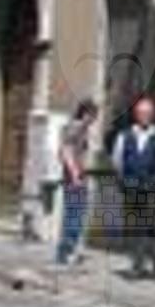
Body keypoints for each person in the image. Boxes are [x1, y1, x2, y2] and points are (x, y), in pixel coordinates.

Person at [111, 93, 155, 280]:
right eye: (142, 113)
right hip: (131, 187)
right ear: (136, 115)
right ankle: (137, 265)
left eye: (148, 113)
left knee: (153, 226)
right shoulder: (124, 136)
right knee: (134, 227)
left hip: (152, 188)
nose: (145, 116)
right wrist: (125, 181)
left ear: (152, 115)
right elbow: (117, 161)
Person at [55, 97, 98, 267]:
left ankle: (69, 251)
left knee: (77, 215)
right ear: (86, 113)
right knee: (73, 216)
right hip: (75, 179)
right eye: (93, 116)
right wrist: (75, 175)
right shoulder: (75, 127)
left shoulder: (82, 129)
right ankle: (66, 252)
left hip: (81, 178)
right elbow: (65, 151)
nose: (94, 120)